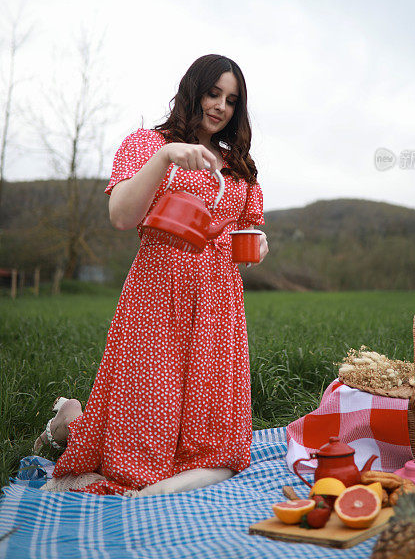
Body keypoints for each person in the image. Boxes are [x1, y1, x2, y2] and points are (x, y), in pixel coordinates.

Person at [34, 54, 268, 495]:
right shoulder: (147, 144)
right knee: (140, 443)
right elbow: (121, 216)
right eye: (213, 93)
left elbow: (245, 231)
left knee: (214, 439)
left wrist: (258, 245)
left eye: (231, 100)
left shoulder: (238, 167)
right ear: (192, 91)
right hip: (159, 292)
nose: (220, 106)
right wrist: (165, 156)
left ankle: (79, 422)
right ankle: (71, 421)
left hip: (219, 302)